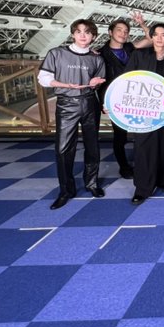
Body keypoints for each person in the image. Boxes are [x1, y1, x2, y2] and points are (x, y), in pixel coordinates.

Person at [37, 19, 106, 210]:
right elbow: (43, 78)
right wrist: (66, 85)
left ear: (93, 36)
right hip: (66, 104)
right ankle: (66, 190)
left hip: (89, 103)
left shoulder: (97, 58)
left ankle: (92, 183)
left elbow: (99, 82)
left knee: (92, 146)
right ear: (73, 34)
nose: (83, 35)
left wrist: (95, 83)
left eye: (87, 32)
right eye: (79, 31)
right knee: (63, 148)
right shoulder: (56, 53)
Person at [124, 24, 164, 205]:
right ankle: (142, 188)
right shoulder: (139, 56)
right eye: (156, 35)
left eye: (163, 35)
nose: (159, 38)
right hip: (145, 111)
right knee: (144, 148)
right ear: (152, 37)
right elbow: (126, 81)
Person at [98, 13, 152, 179]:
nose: (123, 33)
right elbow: (100, 82)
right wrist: (103, 103)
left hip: (134, 96)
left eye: (126, 31)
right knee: (120, 134)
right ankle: (124, 166)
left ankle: (144, 162)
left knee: (142, 129)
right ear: (110, 32)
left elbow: (151, 39)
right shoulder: (100, 54)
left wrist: (142, 24)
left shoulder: (129, 48)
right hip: (114, 99)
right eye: (119, 30)